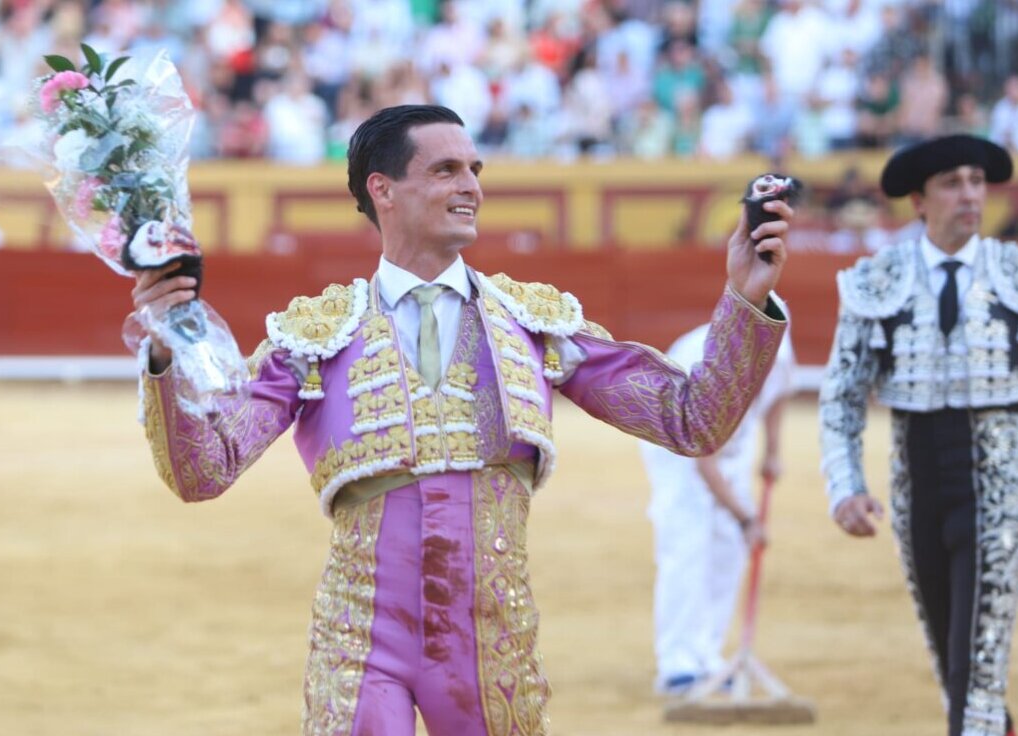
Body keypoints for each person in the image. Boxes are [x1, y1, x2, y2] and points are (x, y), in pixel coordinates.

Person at [130, 104, 791, 735]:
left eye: (474, 169)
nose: (470, 186)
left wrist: (745, 297)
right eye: (445, 170)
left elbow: (692, 420)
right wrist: (164, 355)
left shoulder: (534, 324)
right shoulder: (316, 336)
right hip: (361, 636)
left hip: (491, 636)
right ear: (383, 190)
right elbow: (203, 471)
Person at [819, 133, 1018, 736]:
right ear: (919, 202)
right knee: (953, 662)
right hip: (917, 490)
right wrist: (846, 487)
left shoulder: (1012, 274)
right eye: (952, 183)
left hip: (998, 491)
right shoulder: (879, 280)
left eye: (977, 181)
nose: (970, 195)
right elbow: (843, 395)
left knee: (976, 669)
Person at [641, 321, 795, 696]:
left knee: (728, 547)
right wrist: (747, 519)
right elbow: (703, 462)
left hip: (733, 438)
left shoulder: (778, 344)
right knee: (687, 545)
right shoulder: (713, 364)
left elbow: (778, 393)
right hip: (677, 441)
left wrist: (773, 451)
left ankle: (707, 656)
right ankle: (678, 664)